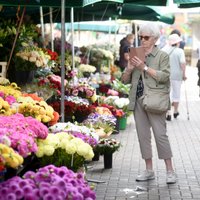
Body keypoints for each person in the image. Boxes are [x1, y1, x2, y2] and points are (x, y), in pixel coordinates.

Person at [121, 22, 176, 184]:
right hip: (138, 100)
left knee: (160, 135)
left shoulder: (162, 56)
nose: (142, 40)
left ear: (155, 39)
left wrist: (144, 67)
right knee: (143, 136)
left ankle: (170, 171)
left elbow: (164, 76)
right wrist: (130, 68)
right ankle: (149, 170)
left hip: (155, 100)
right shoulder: (136, 54)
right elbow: (124, 80)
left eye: (146, 37)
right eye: (140, 37)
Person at [162, 34, 187, 121]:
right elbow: (182, 63)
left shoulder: (163, 50)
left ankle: (168, 112)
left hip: (165, 75)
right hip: (177, 76)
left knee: (167, 94)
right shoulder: (180, 51)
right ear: (177, 43)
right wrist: (184, 74)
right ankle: (175, 111)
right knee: (176, 94)